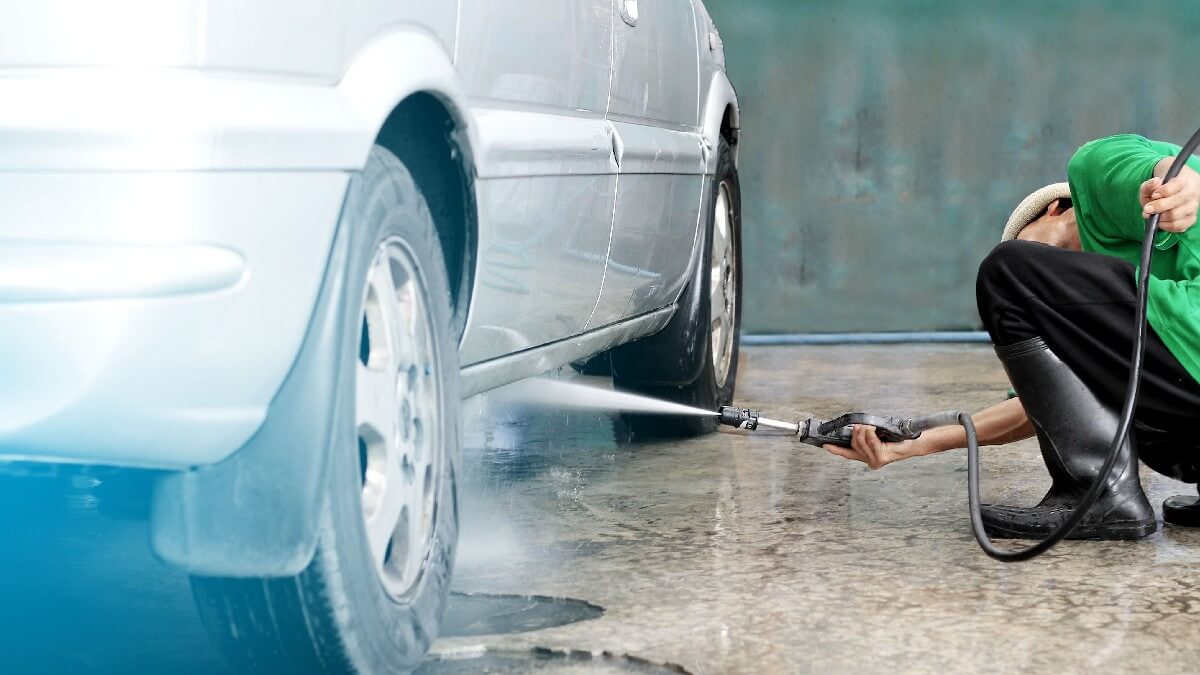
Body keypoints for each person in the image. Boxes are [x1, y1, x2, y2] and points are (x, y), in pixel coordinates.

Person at [825, 133, 1200, 540]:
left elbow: (1153, 170)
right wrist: (914, 443)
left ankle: (1097, 495)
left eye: (1032, 246)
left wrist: (1177, 184)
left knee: (1004, 270)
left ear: (1055, 209)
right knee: (1118, 400)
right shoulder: (1101, 323)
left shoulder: (1090, 176)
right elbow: (1045, 410)